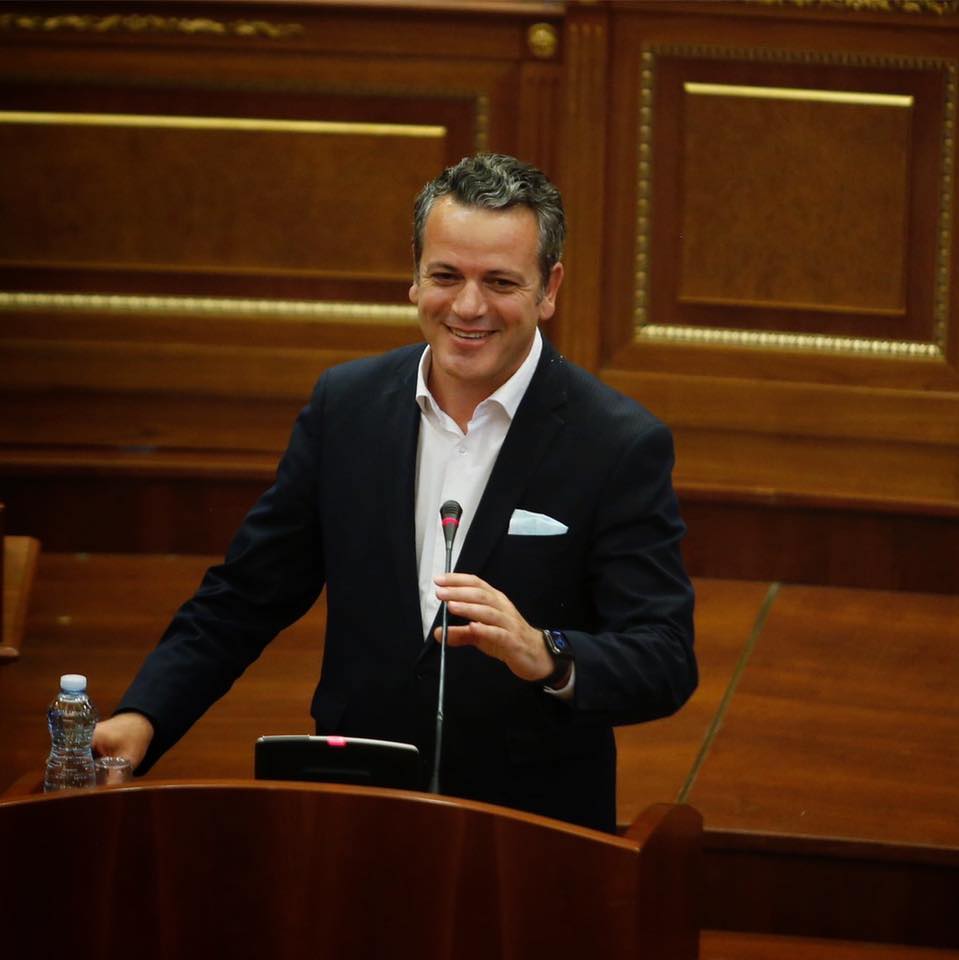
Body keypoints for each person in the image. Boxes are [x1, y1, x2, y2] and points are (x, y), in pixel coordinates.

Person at [93, 153, 696, 832]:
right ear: (414, 276)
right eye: (446, 276)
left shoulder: (616, 443)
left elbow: (664, 658)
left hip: (525, 832)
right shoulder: (346, 406)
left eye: (500, 282)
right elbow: (246, 595)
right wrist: (145, 715)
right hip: (354, 810)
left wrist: (545, 653)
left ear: (548, 288)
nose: (468, 307)